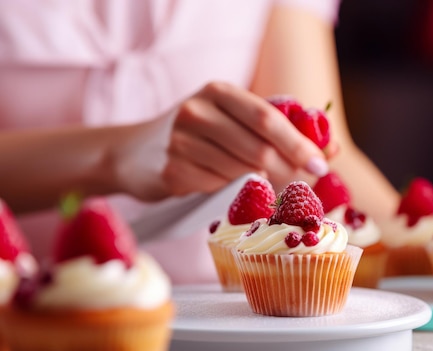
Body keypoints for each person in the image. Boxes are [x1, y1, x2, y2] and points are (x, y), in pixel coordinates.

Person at [0, 0, 399, 283]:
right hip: (25, 310)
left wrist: (431, 234)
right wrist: (119, 155)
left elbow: (315, 166)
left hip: (224, 317)